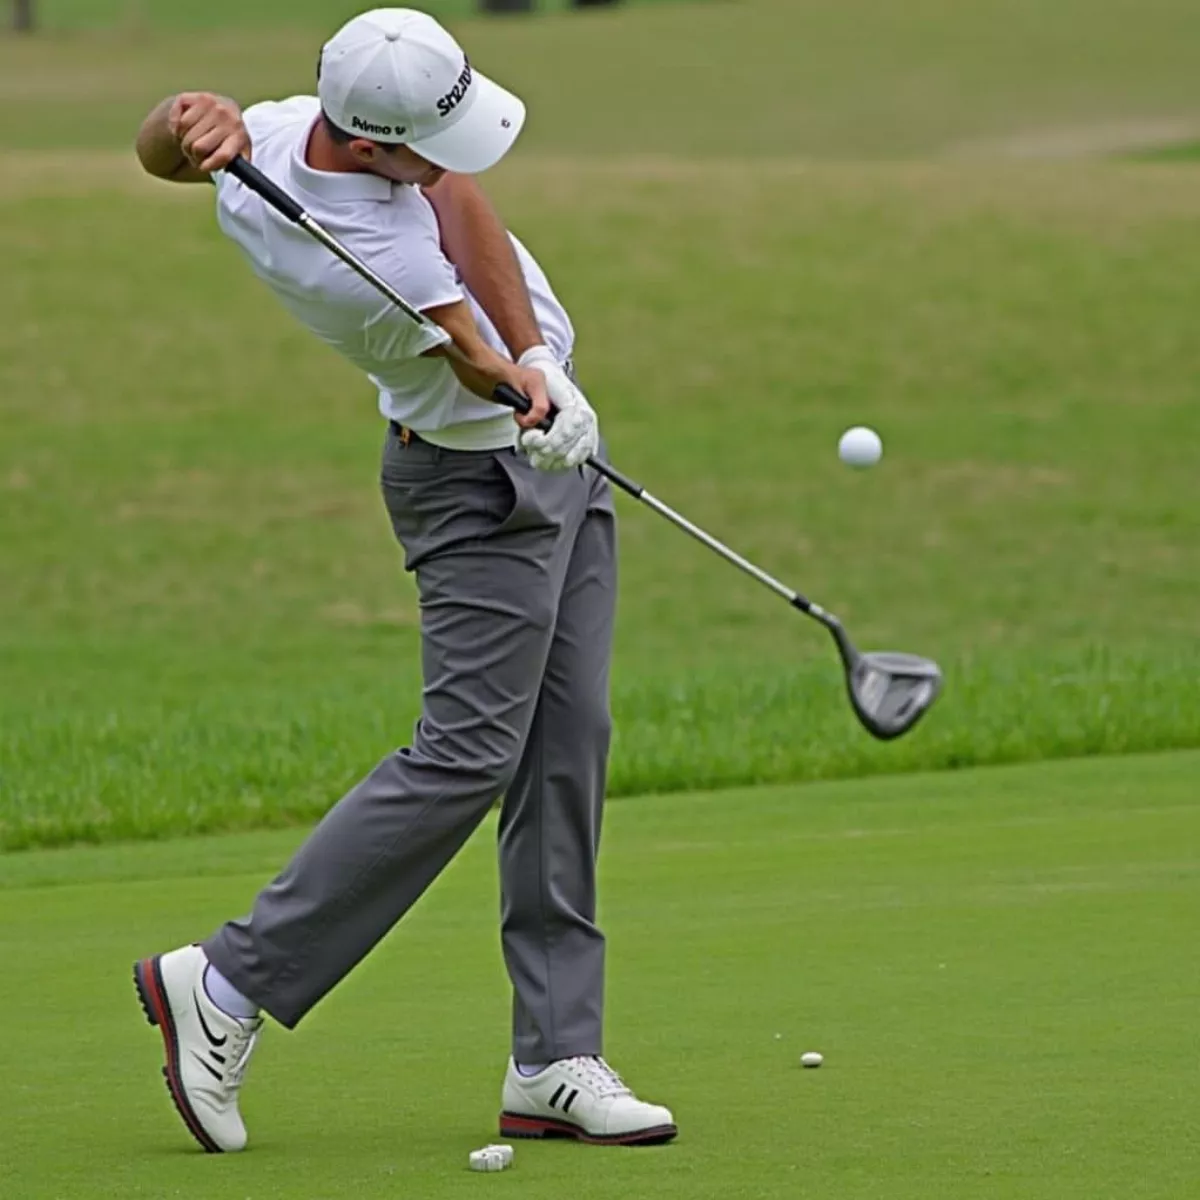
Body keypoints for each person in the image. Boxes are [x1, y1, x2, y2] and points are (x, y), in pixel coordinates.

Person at [130, 5, 676, 1154]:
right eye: (436, 142)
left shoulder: (295, 132)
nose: (457, 158)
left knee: (564, 744)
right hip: (482, 493)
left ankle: (552, 1056)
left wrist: (181, 124)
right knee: (468, 754)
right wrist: (525, 382)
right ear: (373, 147)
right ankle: (226, 982)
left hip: (549, 461)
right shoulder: (358, 259)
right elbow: (464, 355)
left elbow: (462, 199)